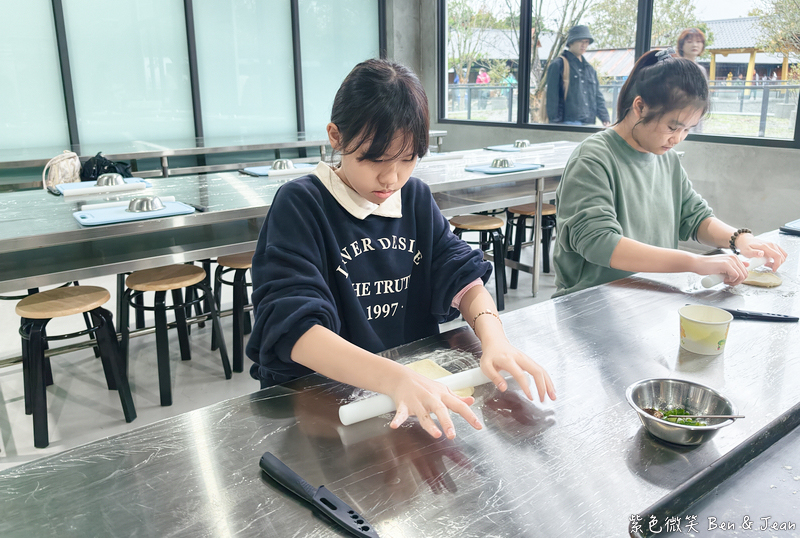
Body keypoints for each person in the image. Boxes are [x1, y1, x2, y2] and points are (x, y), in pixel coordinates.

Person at [246, 59, 556, 440]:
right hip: (325, 401)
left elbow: (458, 271)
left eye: (408, 159)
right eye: (375, 159)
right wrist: (394, 378)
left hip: (408, 391)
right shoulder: (301, 204)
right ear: (336, 137)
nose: (391, 177)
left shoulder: (413, 198)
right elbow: (294, 329)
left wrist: (494, 337)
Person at [552, 50, 787, 297]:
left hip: (650, 294)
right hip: (590, 300)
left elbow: (695, 217)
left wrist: (740, 239)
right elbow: (600, 243)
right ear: (640, 106)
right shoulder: (593, 158)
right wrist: (695, 262)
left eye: (687, 129)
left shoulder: (667, 159)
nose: (677, 139)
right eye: (672, 127)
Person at [545, 25, 610, 126]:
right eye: (581, 41)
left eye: (586, 42)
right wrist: (555, 125)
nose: (584, 45)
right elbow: (552, 98)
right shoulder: (559, 65)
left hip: (589, 122)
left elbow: (597, 96)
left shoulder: (590, 69)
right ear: (571, 42)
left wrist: (604, 117)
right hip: (567, 122)